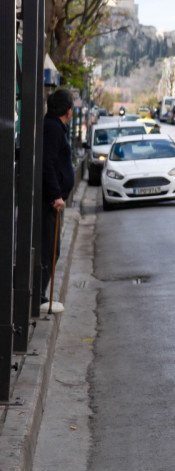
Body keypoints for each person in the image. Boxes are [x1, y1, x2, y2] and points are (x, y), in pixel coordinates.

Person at [41, 89, 76, 311]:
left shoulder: (54, 127)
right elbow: (49, 164)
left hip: (54, 201)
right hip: (51, 202)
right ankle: (39, 297)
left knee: (53, 250)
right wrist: (56, 196)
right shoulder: (54, 129)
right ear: (68, 111)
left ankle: (40, 295)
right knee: (49, 249)